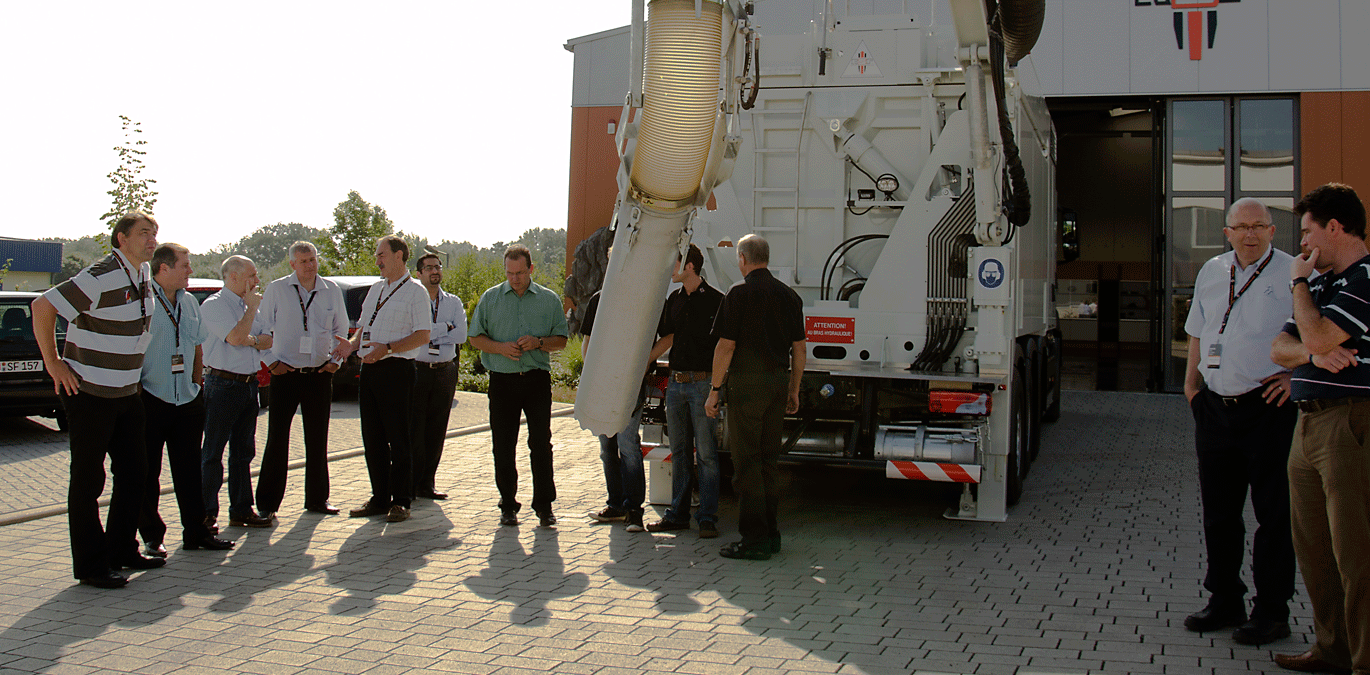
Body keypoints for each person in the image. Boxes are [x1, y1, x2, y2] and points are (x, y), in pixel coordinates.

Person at [1180, 198, 1297, 645]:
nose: (1250, 234)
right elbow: (1197, 331)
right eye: (1240, 227)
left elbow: (1314, 329)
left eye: (1258, 226)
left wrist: (1295, 376)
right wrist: (1192, 388)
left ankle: (1272, 611)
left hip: (1268, 409)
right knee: (1220, 514)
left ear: (1272, 231)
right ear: (1226, 232)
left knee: (1274, 516)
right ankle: (1224, 599)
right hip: (1214, 409)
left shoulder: (1292, 274)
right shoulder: (1212, 270)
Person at [31, 211, 165, 587]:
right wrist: (54, 363)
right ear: (121, 238)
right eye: (144, 233)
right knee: (89, 481)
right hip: (89, 393)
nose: (152, 240)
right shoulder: (101, 273)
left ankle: (122, 550)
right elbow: (43, 307)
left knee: (135, 474)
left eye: (155, 234)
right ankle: (91, 567)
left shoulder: (141, 273)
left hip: (127, 392)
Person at [1270, 183, 1370, 675]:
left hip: (1349, 422)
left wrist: (1298, 285)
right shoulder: (1326, 285)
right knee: (1314, 548)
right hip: (1307, 425)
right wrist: (1311, 353)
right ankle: (1331, 649)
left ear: (1335, 226)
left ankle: (1364, 660)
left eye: (1308, 232)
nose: (1303, 246)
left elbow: (1317, 332)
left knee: (1356, 551)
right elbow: (1279, 348)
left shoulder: (1365, 278)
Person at [705, 234, 805, 560]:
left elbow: (726, 346)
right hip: (777, 384)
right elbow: (799, 349)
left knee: (747, 465)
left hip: (748, 385)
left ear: (743, 259)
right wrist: (793, 388)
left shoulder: (738, 293)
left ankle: (754, 541)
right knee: (767, 463)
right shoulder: (789, 296)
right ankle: (771, 535)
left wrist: (715, 390)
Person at [137, 243, 235, 557]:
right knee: (147, 473)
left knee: (190, 470)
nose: (190, 271)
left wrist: (196, 384)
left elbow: (195, 347)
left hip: (187, 399)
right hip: (151, 397)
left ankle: (196, 532)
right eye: (185, 265)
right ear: (163, 269)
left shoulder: (190, 301)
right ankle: (152, 537)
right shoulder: (142, 300)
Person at [468, 244, 569, 527]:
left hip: (536, 380)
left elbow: (561, 340)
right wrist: (500, 348)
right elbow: (475, 338)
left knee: (540, 443)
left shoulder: (549, 300)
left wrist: (538, 342)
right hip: (502, 380)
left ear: (531, 269)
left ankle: (544, 505)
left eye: (520, 273)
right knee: (503, 445)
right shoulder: (491, 298)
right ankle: (508, 505)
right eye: (510, 273)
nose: (515, 278)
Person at [255, 242, 353, 519]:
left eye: (313, 259)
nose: (310, 265)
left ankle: (317, 499)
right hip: (286, 373)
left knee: (317, 439)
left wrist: (336, 362)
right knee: (277, 439)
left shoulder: (331, 290)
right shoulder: (277, 289)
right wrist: (271, 362)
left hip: (319, 374)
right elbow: (260, 328)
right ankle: (267, 504)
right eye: (303, 261)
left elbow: (341, 329)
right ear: (292, 264)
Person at [347, 235, 431, 523]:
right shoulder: (376, 289)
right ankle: (379, 497)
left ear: (399, 256)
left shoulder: (416, 292)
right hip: (370, 369)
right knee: (372, 437)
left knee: (399, 438)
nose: (377, 260)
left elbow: (423, 336)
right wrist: (350, 345)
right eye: (376, 255)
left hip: (397, 370)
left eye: (381, 254)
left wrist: (389, 348)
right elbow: (363, 327)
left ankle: (401, 500)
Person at [646, 243, 725, 539]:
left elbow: (725, 345)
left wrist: (716, 387)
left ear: (689, 266)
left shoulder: (718, 301)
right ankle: (677, 515)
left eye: (675, 262)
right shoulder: (674, 300)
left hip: (703, 384)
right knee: (678, 452)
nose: (671, 269)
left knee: (706, 454)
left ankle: (707, 518)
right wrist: (645, 361)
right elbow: (668, 337)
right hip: (676, 385)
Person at [201, 255, 274, 530]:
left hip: (249, 384)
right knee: (213, 452)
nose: (256, 281)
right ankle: (206, 513)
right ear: (233, 277)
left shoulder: (252, 305)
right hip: (222, 384)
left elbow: (267, 339)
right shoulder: (214, 305)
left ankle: (241, 508)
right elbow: (233, 337)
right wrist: (250, 321)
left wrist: (251, 340)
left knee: (243, 452)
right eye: (251, 276)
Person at [582, 288, 650, 533]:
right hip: (603, 384)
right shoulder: (599, 299)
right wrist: (589, 378)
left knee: (628, 445)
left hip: (630, 384)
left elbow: (664, 335)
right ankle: (616, 504)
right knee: (607, 447)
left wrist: (645, 361)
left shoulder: (643, 297)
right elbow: (588, 340)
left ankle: (634, 511)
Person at [410, 252, 467, 500]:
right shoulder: (412, 301)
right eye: (429, 267)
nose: (435, 271)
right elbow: (413, 333)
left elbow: (462, 335)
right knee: (414, 428)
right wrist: (445, 328)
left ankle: (427, 484)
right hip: (416, 370)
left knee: (436, 429)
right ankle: (409, 484)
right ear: (418, 273)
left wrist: (430, 333)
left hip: (444, 372)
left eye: (437, 266)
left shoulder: (453, 302)